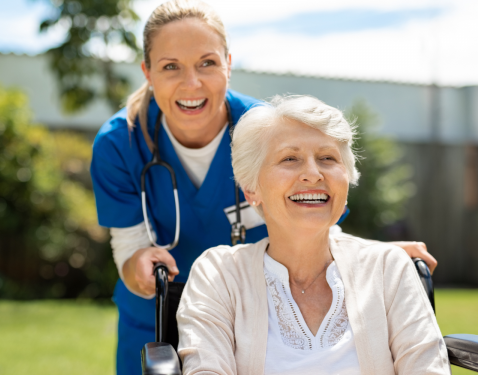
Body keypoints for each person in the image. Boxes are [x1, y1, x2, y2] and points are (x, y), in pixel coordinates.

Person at [90, 0, 438, 374]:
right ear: (148, 72)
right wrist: (138, 266)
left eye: (207, 63)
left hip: (255, 310)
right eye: (170, 67)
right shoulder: (118, 145)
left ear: (228, 65)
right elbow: (128, 246)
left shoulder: (267, 133)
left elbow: (314, 211)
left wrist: (374, 262)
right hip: (156, 315)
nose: (192, 83)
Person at [176, 95, 449, 375]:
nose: (313, 173)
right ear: (251, 189)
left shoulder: (387, 267)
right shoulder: (218, 274)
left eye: (327, 158)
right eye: (290, 158)